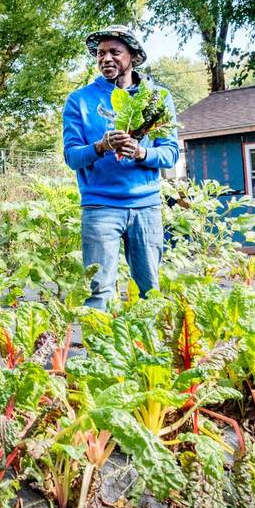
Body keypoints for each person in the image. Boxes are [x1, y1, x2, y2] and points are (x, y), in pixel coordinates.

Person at [61, 25, 179, 311]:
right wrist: (100, 147)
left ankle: (145, 352)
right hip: (100, 208)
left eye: (115, 52)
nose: (106, 59)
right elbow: (73, 157)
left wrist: (141, 152)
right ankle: (98, 355)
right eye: (101, 54)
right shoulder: (80, 101)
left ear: (133, 56)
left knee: (149, 290)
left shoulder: (157, 98)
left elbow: (170, 154)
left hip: (146, 207)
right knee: (99, 291)